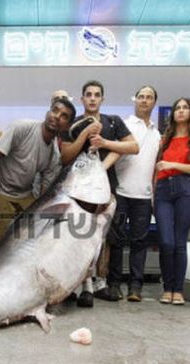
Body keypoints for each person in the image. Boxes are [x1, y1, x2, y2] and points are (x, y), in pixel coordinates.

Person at [61, 80, 139, 307]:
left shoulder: (113, 122)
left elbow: (133, 147)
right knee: (80, 237)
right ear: (83, 98)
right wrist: (84, 137)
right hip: (78, 191)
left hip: (106, 188)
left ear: (102, 99)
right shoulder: (74, 123)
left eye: (97, 95)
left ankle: (100, 283)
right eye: (88, 94)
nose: (93, 98)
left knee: (104, 238)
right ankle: (82, 285)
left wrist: (105, 145)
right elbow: (65, 156)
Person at [0, 97, 76, 244]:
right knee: (2, 243)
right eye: (55, 110)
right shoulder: (22, 127)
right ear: (48, 112)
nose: (57, 116)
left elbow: (44, 192)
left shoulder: (54, 154)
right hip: (1, 189)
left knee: (31, 237)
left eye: (64, 116)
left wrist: (45, 215)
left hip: (25, 193)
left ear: (67, 126)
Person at [105, 85, 160, 302]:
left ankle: (136, 287)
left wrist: (154, 195)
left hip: (144, 197)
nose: (144, 101)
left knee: (140, 242)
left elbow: (155, 167)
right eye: (141, 97)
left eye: (149, 97)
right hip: (121, 192)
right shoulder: (124, 126)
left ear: (154, 102)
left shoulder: (157, 134)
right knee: (116, 241)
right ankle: (114, 284)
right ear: (134, 100)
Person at [154, 97, 190, 306]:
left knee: (179, 243)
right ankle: (166, 287)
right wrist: (153, 195)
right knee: (166, 242)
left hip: (185, 189)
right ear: (173, 114)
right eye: (177, 107)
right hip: (163, 190)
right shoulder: (164, 140)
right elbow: (156, 168)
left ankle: (177, 289)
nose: (181, 111)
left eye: (185, 108)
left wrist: (173, 164)